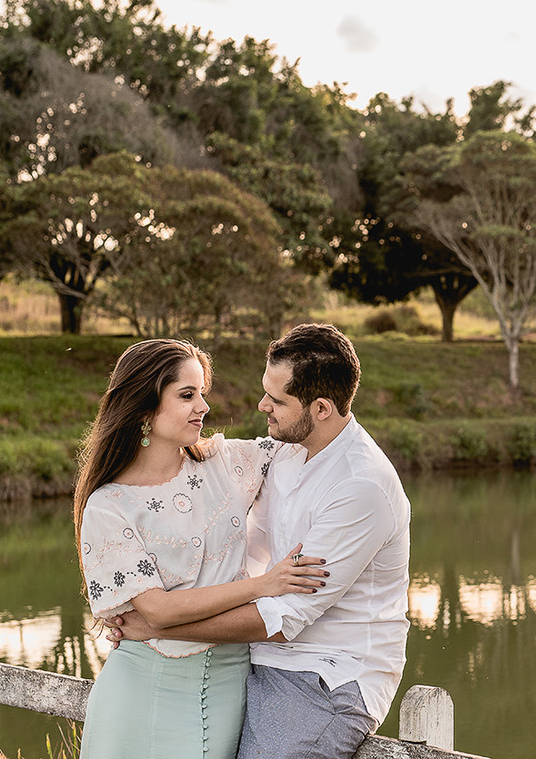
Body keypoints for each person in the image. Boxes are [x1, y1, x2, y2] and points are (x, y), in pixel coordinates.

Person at [113, 323, 412, 759]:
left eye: (277, 400)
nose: (262, 405)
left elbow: (287, 616)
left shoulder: (360, 487)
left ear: (322, 408)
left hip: (325, 674)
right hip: (252, 654)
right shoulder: (286, 449)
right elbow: (240, 543)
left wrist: (162, 628)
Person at [75, 339, 329, 759]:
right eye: (187, 395)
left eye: (203, 393)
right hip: (140, 692)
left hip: (229, 687)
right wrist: (263, 584)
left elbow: (305, 440)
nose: (204, 407)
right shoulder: (108, 505)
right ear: (144, 405)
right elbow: (156, 610)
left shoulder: (226, 463)